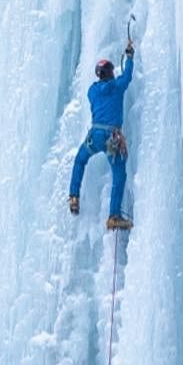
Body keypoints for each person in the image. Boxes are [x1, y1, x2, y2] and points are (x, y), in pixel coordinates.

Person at [68, 39, 135, 230]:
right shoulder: (116, 87)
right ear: (110, 73)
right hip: (110, 138)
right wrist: (129, 55)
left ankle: (74, 196)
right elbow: (128, 76)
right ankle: (114, 215)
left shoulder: (92, 91)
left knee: (80, 160)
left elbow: (107, 86)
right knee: (119, 173)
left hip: (94, 136)